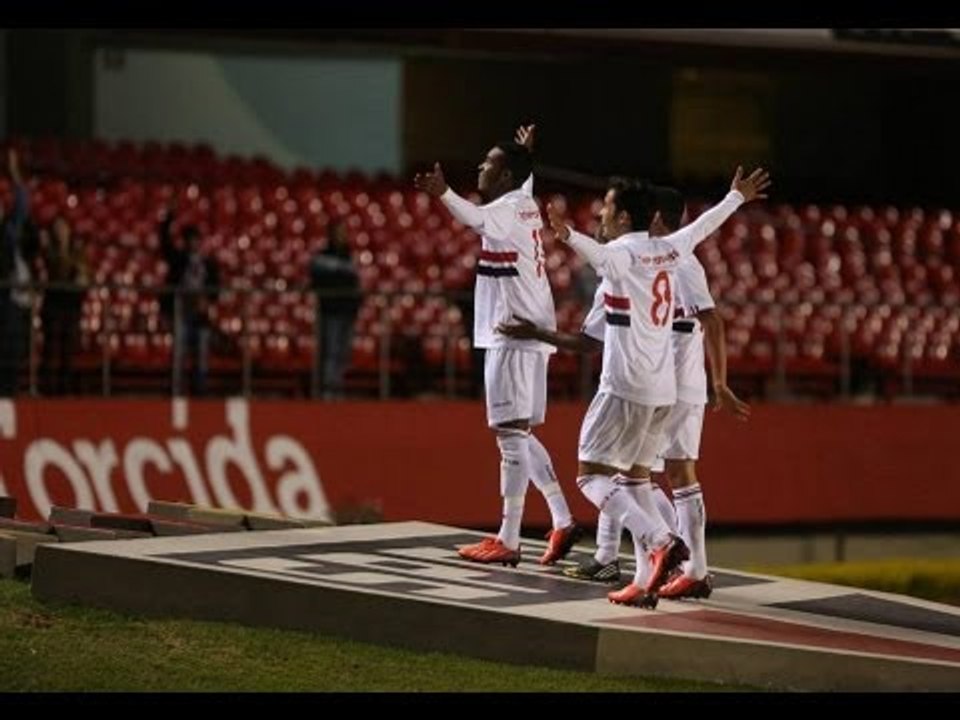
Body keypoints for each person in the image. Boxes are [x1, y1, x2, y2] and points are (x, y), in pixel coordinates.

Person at [505, 186, 751, 594]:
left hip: (626, 384)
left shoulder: (623, 257)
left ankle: (660, 541)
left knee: (590, 477)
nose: (600, 213)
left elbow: (601, 259)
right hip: (663, 388)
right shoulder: (673, 250)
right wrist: (735, 199)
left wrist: (567, 236)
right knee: (636, 480)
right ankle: (640, 581)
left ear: (624, 219)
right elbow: (701, 229)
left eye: (607, 208)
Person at [414, 125, 581, 567]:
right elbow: (518, 186)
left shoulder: (506, 208)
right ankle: (561, 519)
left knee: (509, 436)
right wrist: (524, 157)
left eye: (489, 163)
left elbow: (476, 219)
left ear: (505, 176)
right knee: (519, 433)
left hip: (513, 332)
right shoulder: (522, 201)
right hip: (527, 331)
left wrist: (443, 192)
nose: (481, 168)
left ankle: (509, 538)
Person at [159, 206, 220, 396]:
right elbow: (165, 244)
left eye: (196, 240)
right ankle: (177, 388)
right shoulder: (178, 259)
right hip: (181, 311)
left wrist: (207, 299)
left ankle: (200, 389)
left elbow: (215, 290)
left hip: (200, 315)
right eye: (190, 240)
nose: (193, 243)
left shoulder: (208, 263)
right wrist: (168, 220)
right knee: (179, 352)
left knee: (202, 352)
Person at [0, 149, 39, 397]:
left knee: (11, 350)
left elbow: (22, 203)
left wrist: (14, 173)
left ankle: (9, 396)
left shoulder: (8, 232)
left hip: (8, 298)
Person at [310, 218, 361, 399]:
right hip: (330, 311)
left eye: (344, 232)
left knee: (343, 354)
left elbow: (356, 284)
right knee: (330, 353)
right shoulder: (323, 256)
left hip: (347, 312)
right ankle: (327, 392)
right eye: (339, 232)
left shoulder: (349, 255)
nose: (342, 235)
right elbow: (316, 281)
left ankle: (337, 390)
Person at [40, 216, 89, 395]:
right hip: (53, 305)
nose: (61, 231)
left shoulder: (77, 250)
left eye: (64, 227)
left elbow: (84, 273)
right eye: (57, 228)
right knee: (50, 348)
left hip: (71, 305)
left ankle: (64, 388)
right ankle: (47, 388)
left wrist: (82, 275)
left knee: (68, 350)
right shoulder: (49, 250)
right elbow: (57, 268)